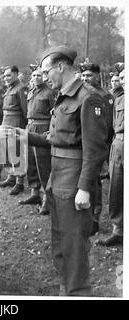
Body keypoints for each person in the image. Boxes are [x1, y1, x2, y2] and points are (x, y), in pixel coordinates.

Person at [22, 45, 108, 296]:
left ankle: (77, 290)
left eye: (47, 70)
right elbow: (55, 138)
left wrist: (84, 188)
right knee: (60, 240)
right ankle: (66, 287)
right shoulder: (63, 96)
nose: (45, 76)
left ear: (61, 67)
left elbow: (95, 150)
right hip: (57, 178)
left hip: (73, 182)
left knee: (73, 243)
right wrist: (23, 136)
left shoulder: (88, 97)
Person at [79, 61, 114, 235]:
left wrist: (103, 145)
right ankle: (85, 214)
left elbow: (108, 124)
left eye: (89, 75)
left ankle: (95, 218)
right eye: (83, 75)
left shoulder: (105, 96)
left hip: (100, 144)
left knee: (96, 182)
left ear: (97, 76)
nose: (85, 78)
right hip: (85, 144)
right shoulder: (81, 95)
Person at [19, 67, 54, 215]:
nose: (36, 78)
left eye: (39, 75)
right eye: (34, 75)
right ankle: (35, 192)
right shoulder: (32, 91)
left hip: (42, 128)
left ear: (44, 77)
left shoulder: (50, 92)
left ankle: (47, 198)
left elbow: (54, 113)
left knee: (43, 164)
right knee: (31, 161)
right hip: (30, 126)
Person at [97, 62, 124, 247]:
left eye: (124, 78)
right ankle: (119, 230)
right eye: (121, 78)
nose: (123, 81)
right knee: (116, 187)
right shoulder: (119, 99)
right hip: (119, 143)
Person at [0, 65, 28, 195]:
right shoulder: (9, 88)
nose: (6, 78)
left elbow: (25, 110)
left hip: (16, 122)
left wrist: (23, 126)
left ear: (16, 74)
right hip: (6, 120)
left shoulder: (21, 88)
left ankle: (19, 182)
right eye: (4, 76)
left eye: (9, 75)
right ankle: (11, 177)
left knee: (17, 151)